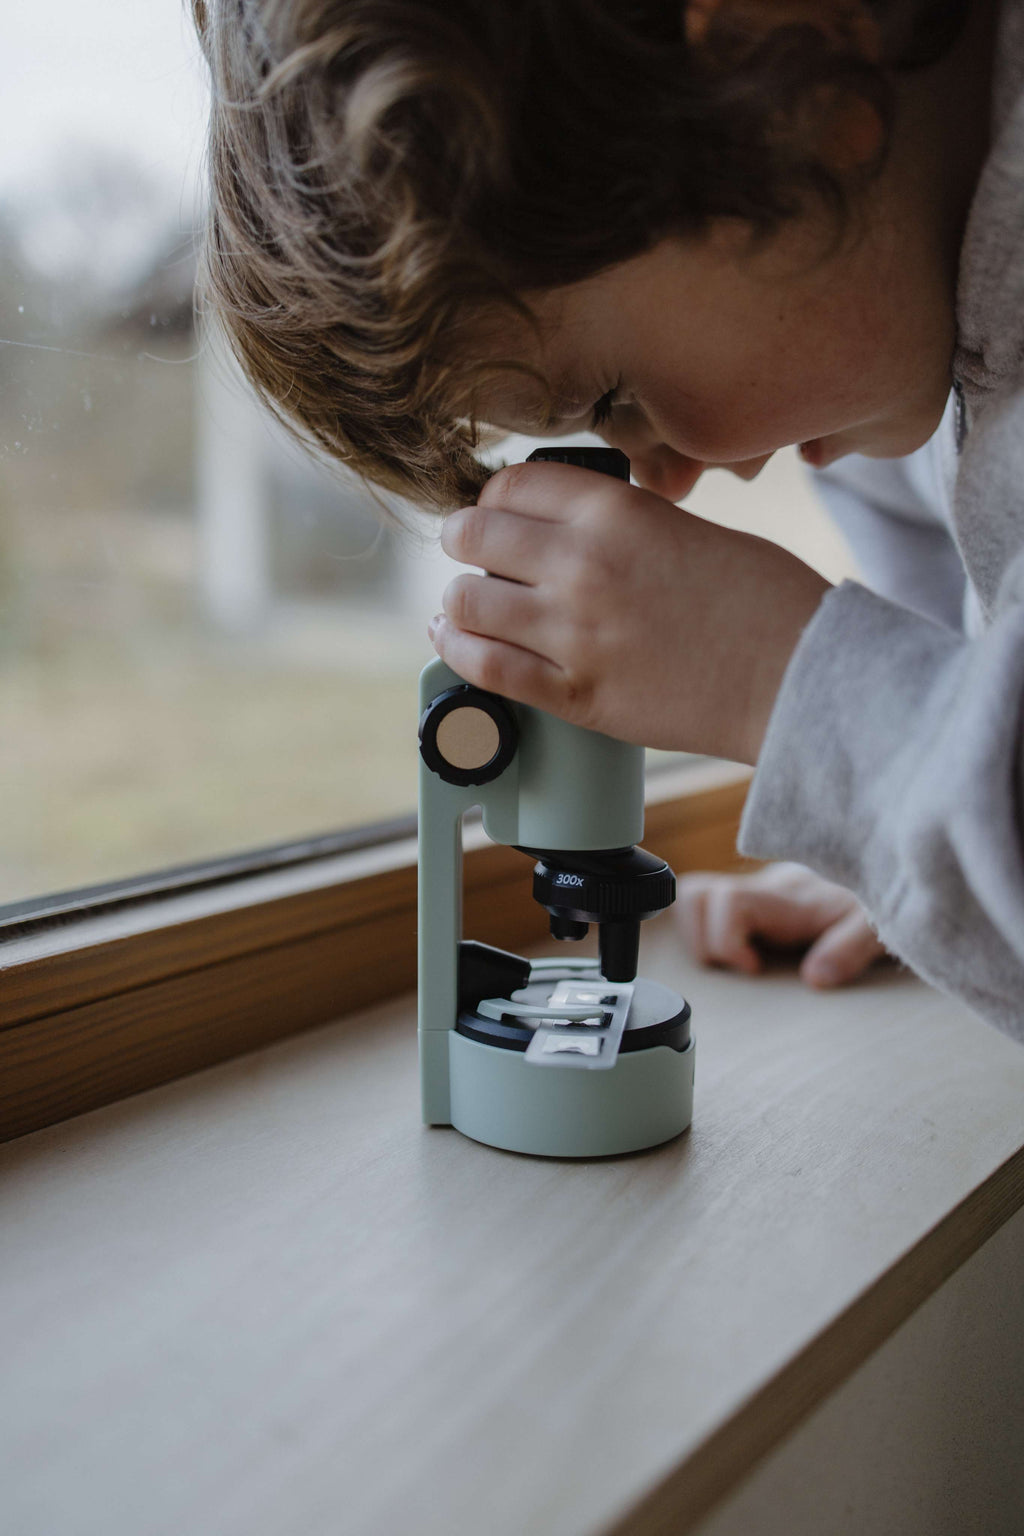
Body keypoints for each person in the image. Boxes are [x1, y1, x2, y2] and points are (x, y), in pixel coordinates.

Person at [192, 0, 1024, 1038]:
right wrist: (913, 847)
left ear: (780, 80)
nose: (661, 482)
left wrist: (768, 679)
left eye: (613, 393)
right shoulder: (905, 385)